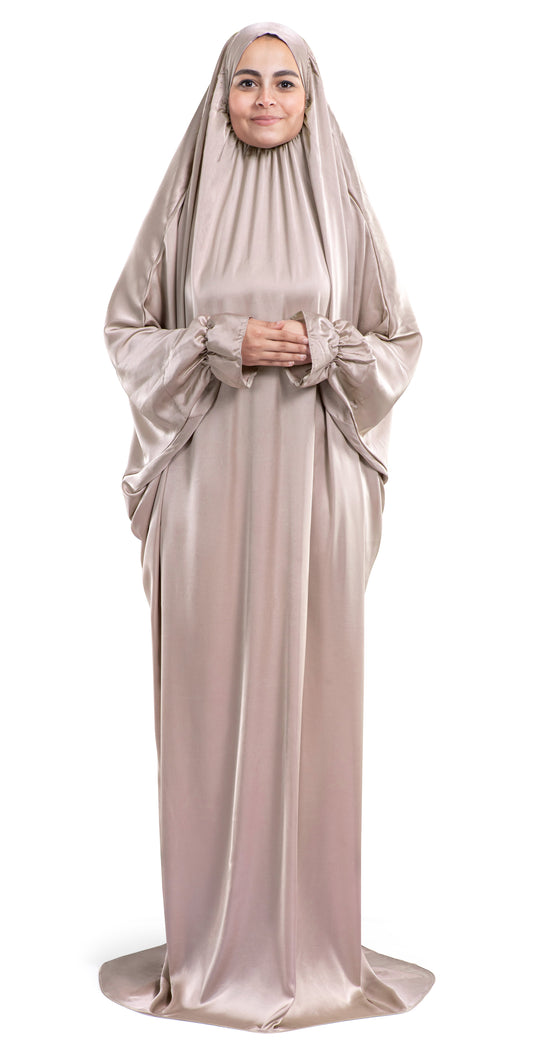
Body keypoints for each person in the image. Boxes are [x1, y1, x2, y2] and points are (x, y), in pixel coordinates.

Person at [99, 21, 435, 1033]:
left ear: (308, 96)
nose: (264, 99)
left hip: (314, 490)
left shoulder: (339, 200)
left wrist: (324, 345)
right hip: (206, 488)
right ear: (221, 95)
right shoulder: (187, 199)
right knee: (205, 701)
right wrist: (217, 339)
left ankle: (309, 945)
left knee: (312, 700)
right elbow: (126, 330)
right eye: (246, 82)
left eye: (283, 83)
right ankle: (209, 947)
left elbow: (397, 339)